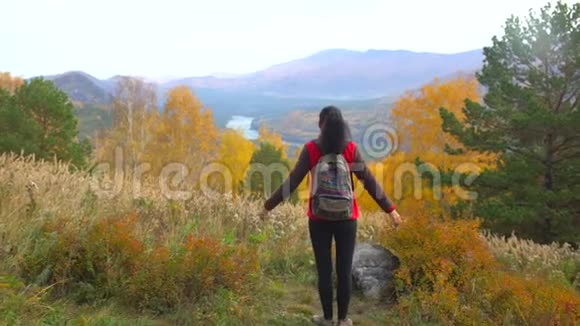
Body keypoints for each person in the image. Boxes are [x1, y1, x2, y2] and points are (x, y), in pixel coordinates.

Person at [262, 106, 402, 326]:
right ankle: (343, 319)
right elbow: (369, 181)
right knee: (344, 270)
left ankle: (327, 319)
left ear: (321, 125)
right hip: (347, 219)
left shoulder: (310, 149)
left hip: (319, 219)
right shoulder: (350, 149)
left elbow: (292, 182)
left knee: (324, 270)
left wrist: (268, 206)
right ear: (342, 126)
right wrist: (390, 209)